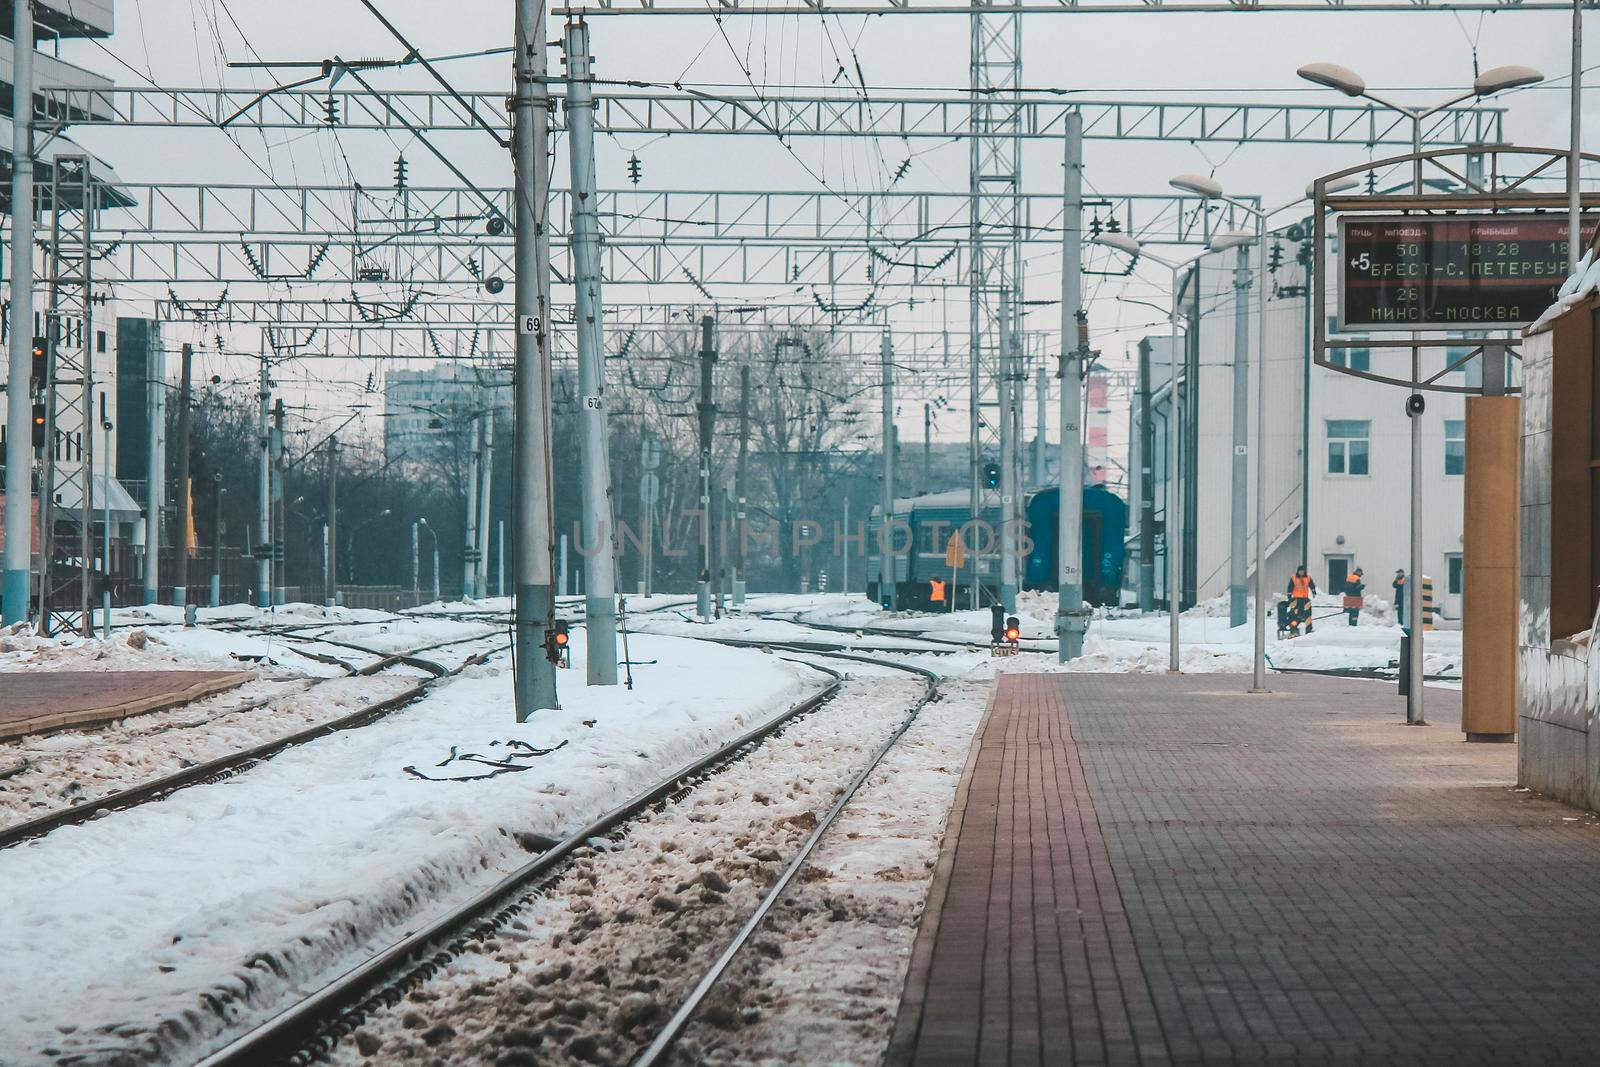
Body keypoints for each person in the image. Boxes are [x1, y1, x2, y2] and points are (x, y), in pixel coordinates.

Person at [1286, 565, 1317, 635]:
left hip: (1305, 598)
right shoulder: (1294, 578)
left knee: (1308, 614)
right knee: (1293, 614)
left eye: (1302, 571)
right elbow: (1290, 587)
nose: (1301, 572)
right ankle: (1293, 628)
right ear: (1298, 571)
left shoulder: (1308, 578)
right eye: (1300, 571)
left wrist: (1313, 591)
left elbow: (1312, 585)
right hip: (1296, 598)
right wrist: (1289, 596)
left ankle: (1309, 628)